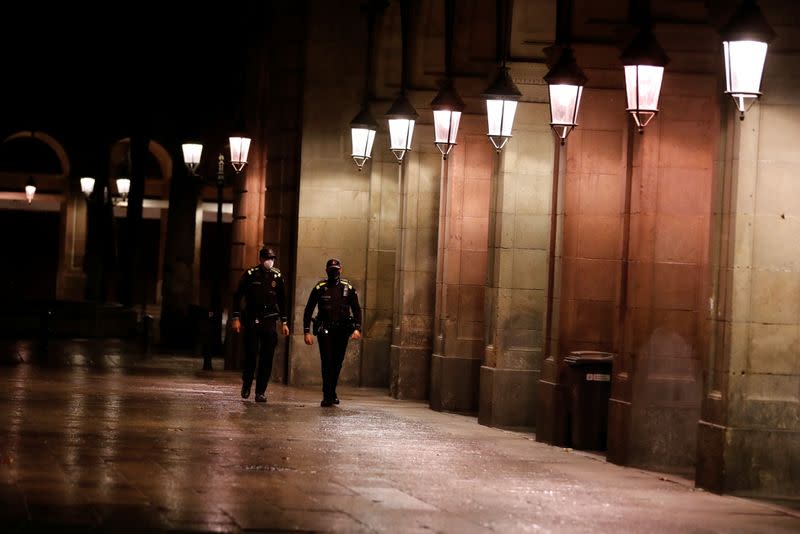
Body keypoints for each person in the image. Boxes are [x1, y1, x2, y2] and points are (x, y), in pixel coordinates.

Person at [231, 247, 290, 403]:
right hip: (252, 319)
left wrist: (284, 321)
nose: (270, 261)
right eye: (267, 258)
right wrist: (235, 318)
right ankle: (247, 383)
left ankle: (261, 391)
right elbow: (238, 296)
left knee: (267, 356)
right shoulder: (251, 275)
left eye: (272, 258)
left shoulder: (277, 276)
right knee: (251, 353)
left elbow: (283, 301)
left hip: (270, 320)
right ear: (260, 259)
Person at [303, 258, 362, 407]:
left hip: (342, 331)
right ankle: (327, 395)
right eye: (331, 271)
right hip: (325, 330)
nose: (334, 273)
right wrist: (306, 331)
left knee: (337, 363)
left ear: (340, 270)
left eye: (336, 270)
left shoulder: (347, 288)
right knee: (327, 362)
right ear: (327, 271)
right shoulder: (320, 287)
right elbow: (309, 309)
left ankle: (332, 392)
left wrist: (357, 328)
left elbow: (356, 309)